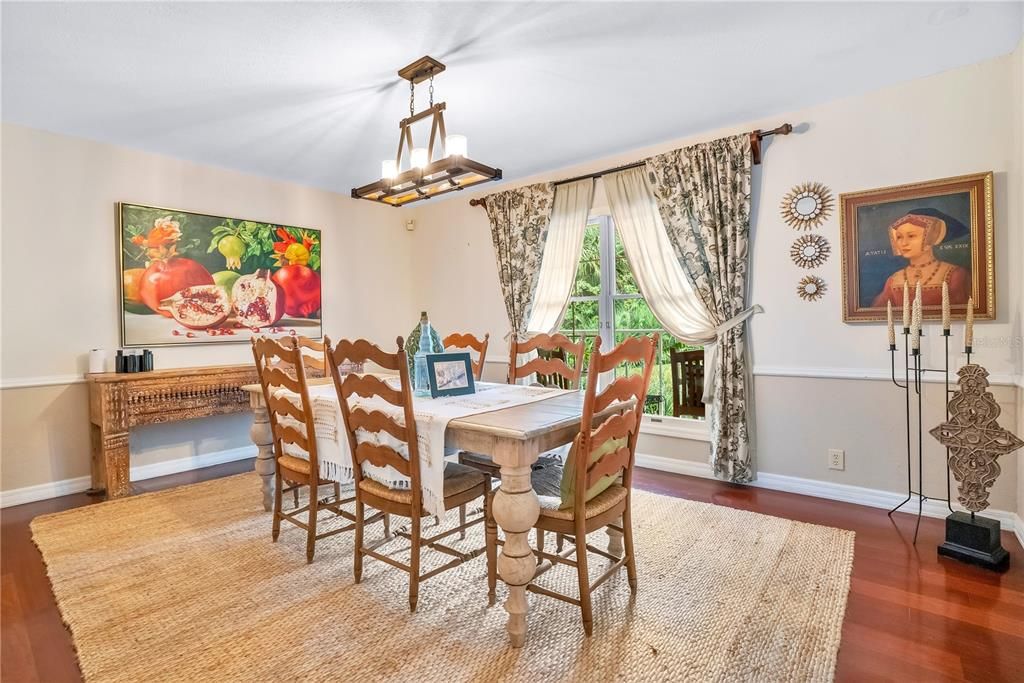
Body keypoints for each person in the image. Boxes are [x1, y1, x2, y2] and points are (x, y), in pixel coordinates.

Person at [871, 212, 970, 308]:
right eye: (899, 237)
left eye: (911, 236)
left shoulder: (954, 274)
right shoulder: (894, 280)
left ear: (931, 237)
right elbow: (877, 312)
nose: (904, 243)